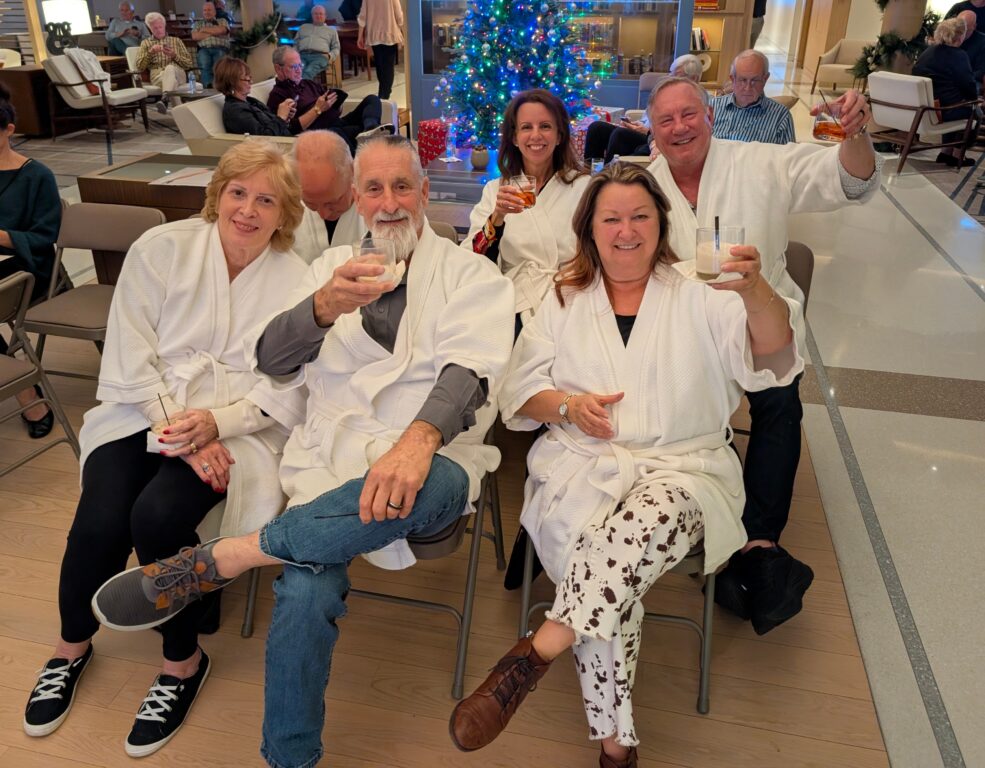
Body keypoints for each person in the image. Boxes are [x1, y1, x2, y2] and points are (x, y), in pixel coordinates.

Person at [87, 134, 515, 768]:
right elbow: (271, 363)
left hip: (430, 460)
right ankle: (289, 758)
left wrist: (416, 443)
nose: (389, 202)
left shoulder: (471, 275)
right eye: (374, 188)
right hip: (331, 461)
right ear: (355, 200)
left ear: (427, 195)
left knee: (435, 483)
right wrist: (322, 307)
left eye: (403, 187)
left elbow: (471, 371)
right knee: (306, 592)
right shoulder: (327, 269)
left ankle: (229, 557)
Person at [450, 162, 804, 768]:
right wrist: (566, 404)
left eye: (640, 216)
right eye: (611, 218)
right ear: (589, 229)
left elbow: (772, 356)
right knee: (608, 575)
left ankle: (537, 651)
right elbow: (518, 394)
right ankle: (617, 747)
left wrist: (755, 291)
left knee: (623, 543)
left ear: (661, 223)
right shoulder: (565, 298)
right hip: (583, 467)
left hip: (683, 472)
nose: (626, 230)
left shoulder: (702, 290)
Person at [21, 140, 308, 757]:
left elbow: (289, 383)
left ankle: (183, 662)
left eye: (267, 199)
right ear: (217, 195)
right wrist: (181, 427)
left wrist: (219, 423)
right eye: (238, 192)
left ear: (286, 214)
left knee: (157, 517)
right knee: (101, 517)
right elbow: (129, 349)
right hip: (142, 407)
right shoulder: (163, 248)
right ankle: (70, 646)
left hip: (238, 430)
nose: (249, 210)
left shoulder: (297, 280)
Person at [645, 76, 880, 634]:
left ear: (711, 114)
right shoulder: (643, 186)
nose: (679, 128)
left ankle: (758, 539)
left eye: (689, 114)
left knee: (779, 405)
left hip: (758, 318)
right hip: (682, 331)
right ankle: (691, 514)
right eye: (665, 121)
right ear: (652, 132)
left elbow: (851, 180)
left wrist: (856, 134)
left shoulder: (761, 161)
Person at [467, 89, 590, 328]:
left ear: (559, 135)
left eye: (545, 126)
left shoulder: (585, 188)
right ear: (514, 137)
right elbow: (475, 260)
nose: (536, 136)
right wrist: (497, 217)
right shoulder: (496, 190)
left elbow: (601, 253)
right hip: (513, 299)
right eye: (526, 127)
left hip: (572, 299)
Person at [0, 83, 61, 439]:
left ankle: (25, 390)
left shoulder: (36, 175)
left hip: (28, 268)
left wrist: (3, 237)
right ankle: (20, 377)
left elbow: (44, 237)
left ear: (9, 130)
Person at [583, 54, 703, 165]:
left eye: (676, 75)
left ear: (693, 78)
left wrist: (646, 131)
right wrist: (638, 124)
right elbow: (648, 117)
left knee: (620, 134)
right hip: (644, 132)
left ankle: (607, 176)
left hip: (652, 139)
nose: (670, 78)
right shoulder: (666, 94)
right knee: (597, 127)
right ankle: (593, 173)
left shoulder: (695, 102)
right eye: (671, 73)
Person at [267, 45, 392, 151]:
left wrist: (336, 104)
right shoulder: (278, 96)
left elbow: (334, 108)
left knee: (372, 100)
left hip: (336, 122)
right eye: (294, 67)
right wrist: (317, 109)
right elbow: (292, 130)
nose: (299, 70)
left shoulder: (308, 83)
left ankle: (370, 128)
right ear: (278, 68)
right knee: (350, 134)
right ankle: (369, 136)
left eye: (300, 65)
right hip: (322, 132)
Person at [913, 17, 980, 167]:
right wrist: (974, 100)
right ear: (960, 36)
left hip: (927, 107)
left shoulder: (928, 52)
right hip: (942, 110)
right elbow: (968, 84)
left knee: (956, 107)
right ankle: (957, 156)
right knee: (975, 112)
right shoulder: (959, 55)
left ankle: (945, 153)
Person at [290, 129, 366, 262]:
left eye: (332, 203)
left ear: (353, 171)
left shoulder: (377, 208)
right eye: (311, 204)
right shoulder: (284, 210)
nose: (323, 214)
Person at [710, 49, 794, 145]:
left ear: (765, 79)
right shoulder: (713, 107)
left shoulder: (781, 117)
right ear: (733, 79)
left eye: (755, 80)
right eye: (742, 80)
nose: (747, 87)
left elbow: (789, 158)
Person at [217, 57, 295, 137]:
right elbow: (263, 138)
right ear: (232, 82)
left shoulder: (250, 101)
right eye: (246, 79)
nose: (251, 82)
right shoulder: (235, 111)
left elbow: (272, 125)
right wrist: (281, 117)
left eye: (250, 78)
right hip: (276, 147)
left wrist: (285, 118)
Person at [136, 12, 194, 111]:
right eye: (155, 28)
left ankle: (165, 98)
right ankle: (177, 111)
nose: (158, 30)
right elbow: (140, 67)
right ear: (150, 29)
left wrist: (174, 55)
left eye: (160, 27)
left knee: (170, 68)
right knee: (172, 83)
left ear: (164, 26)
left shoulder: (176, 41)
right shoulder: (145, 43)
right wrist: (150, 53)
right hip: (158, 76)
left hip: (178, 73)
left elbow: (189, 64)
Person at [357, 0, 403, 100]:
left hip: (374, 34)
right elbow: (399, 15)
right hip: (390, 33)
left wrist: (360, 36)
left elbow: (362, 16)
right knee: (388, 66)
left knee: (380, 65)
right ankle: (385, 94)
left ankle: (383, 93)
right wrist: (400, 27)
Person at [294, 4, 340, 80]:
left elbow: (336, 47)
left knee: (309, 71)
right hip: (302, 56)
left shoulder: (331, 30)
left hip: (320, 57)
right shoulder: (303, 27)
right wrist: (295, 54)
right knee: (298, 70)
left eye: (321, 14)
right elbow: (296, 43)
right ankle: (300, 89)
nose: (318, 16)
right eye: (316, 14)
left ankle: (301, 89)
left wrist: (329, 56)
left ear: (325, 16)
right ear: (312, 15)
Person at [191, 1, 230, 88]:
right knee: (204, 64)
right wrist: (213, 32)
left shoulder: (222, 21)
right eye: (205, 10)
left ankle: (220, 87)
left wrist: (203, 30)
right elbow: (195, 36)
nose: (207, 12)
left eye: (209, 10)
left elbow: (222, 30)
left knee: (219, 66)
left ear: (215, 11)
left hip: (220, 48)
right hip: (204, 49)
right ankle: (208, 87)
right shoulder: (198, 23)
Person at [958, 10, 985, 89]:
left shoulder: (983, 42)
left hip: (973, 80)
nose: (961, 32)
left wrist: (961, 78)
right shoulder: (952, 36)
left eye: (965, 29)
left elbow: (981, 72)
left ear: (974, 26)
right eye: (958, 27)